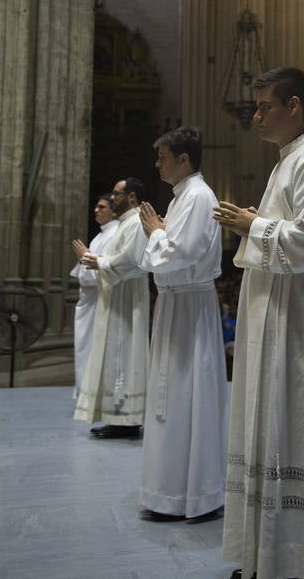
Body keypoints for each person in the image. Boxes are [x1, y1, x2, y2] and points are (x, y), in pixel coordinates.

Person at [214, 66, 304, 579]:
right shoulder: (286, 162)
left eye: (266, 105)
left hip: (293, 312)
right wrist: (256, 221)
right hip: (268, 303)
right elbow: (286, 228)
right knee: (262, 418)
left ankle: (293, 558)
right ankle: (261, 554)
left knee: (288, 420)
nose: (257, 115)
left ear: (295, 107)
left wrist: (254, 224)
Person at [137, 126, 228, 523]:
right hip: (178, 305)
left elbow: (182, 252)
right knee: (172, 398)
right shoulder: (182, 198)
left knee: (188, 396)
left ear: (184, 159)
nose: (158, 163)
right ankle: (170, 491)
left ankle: (194, 493)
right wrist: (159, 232)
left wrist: (156, 233)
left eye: (163, 156)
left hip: (190, 306)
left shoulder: (197, 196)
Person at [74, 177, 150, 439]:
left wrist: (99, 262)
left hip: (128, 300)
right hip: (117, 296)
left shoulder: (136, 223)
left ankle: (128, 421)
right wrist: (101, 261)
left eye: (117, 194)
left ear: (131, 197)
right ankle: (117, 417)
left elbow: (133, 262)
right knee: (116, 358)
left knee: (124, 356)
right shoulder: (126, 223)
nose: (112, 198)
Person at [71, 194, 119, 397]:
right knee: (85, 349)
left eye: (101, 207)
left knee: (94, 350)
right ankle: (85, 393)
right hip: (90, 300)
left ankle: (93, 395)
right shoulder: (100, 235)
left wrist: (86, 256)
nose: (96, 210)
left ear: (114, 211)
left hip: (101, 299)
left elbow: (109, 267)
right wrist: (86, 257)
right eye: (96, 206)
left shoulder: (115, 232)